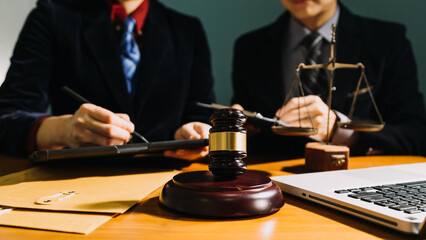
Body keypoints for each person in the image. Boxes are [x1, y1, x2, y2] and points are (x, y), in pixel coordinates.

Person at [0, 0, 215, 160]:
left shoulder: (188, 30)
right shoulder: (51, 17)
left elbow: (201, 113)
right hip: (77, 184)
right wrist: (65, 131)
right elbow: (7, 118)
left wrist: (190, 133)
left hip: (165, 188)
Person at [232, 0, 426, 157]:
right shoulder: (250, 48)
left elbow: (415, 136)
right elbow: (252, 134)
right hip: (279, 185)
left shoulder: (387, 42)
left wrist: (340, 129)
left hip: (358, 179)